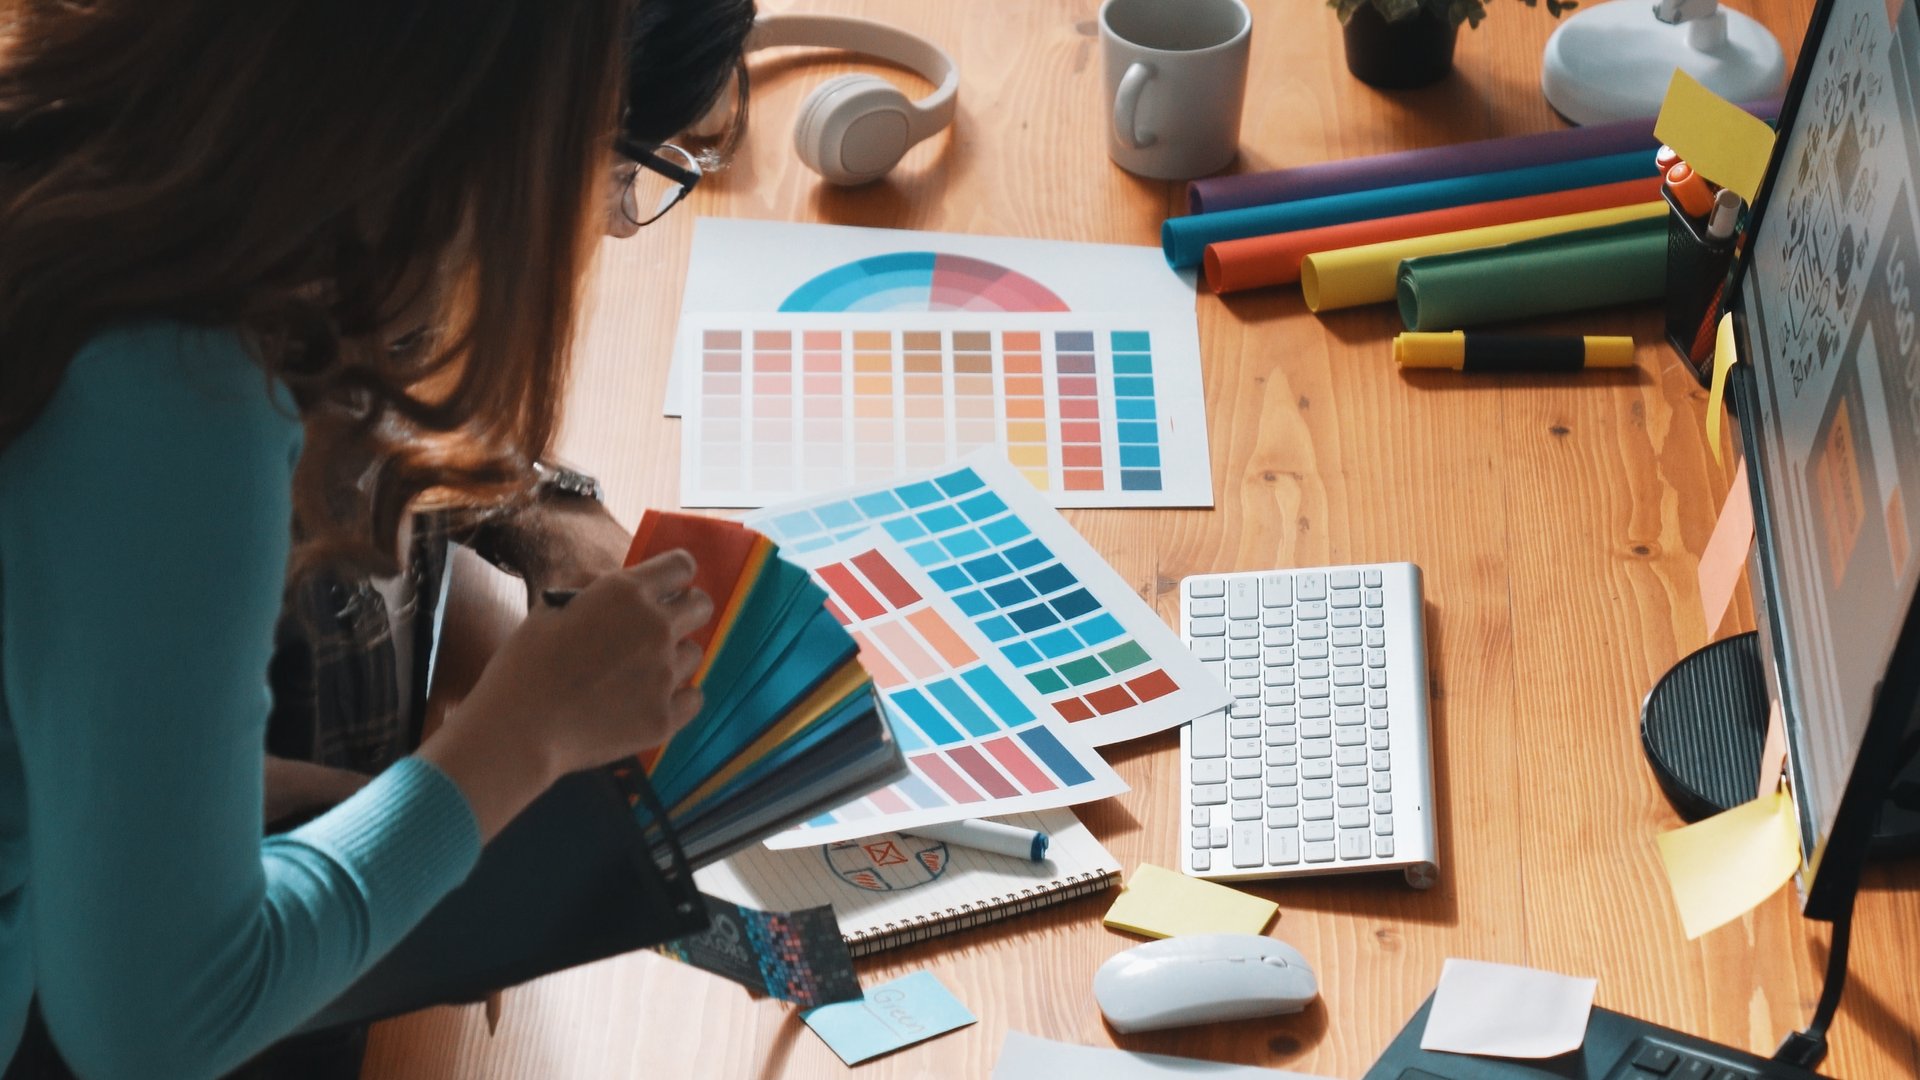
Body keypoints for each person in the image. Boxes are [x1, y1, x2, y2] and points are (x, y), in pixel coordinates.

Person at [0, 1, 754, 1077]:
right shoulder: (175, 387)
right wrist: (518, 738)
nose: (607, 225)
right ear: (503, 122)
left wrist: (349, 817)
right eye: (617, 166)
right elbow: (157, 1025)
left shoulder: (85, 177)